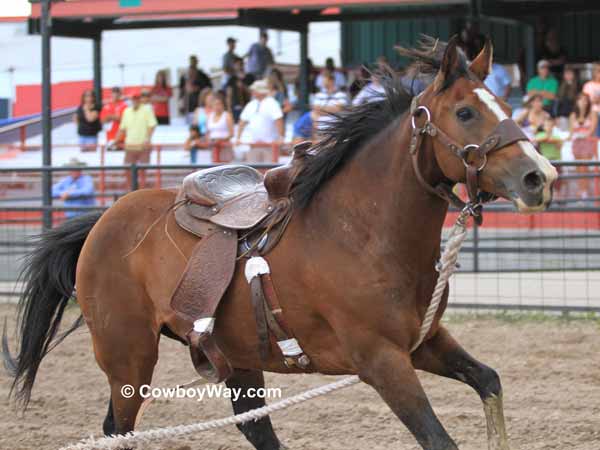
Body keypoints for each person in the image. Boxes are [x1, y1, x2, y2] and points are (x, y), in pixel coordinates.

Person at [236, 79, 284, 162]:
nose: (252, 92)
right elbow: (242, 121)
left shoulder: (272, 103)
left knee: (269, 171)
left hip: (269, 144)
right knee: (253, 171)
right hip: (253, 144)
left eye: (254, 90)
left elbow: (279, 120)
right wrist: (238, 138)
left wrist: (280, 137)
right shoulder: (251, 104)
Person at [117, 90, 158, 166]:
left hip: (143, 146)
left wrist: (147, 139)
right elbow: (122, 128)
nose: (135, 101)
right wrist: (116, 140)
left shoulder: (147, 110)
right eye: (133, 99)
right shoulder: (126, 111)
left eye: (137, 98)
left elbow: (152, 126)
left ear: (140, 99)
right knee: (128, 171)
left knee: (144, 171)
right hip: (130, 146)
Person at [569, 93, 598, 198]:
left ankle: (584, 190)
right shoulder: (573, 115)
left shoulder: (592, 113)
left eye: (585, 100)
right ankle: (581, 189)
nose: (583, 102)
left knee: (584, 167)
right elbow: (571, 132)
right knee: (578, 167)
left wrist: (581, 134)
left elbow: (592, 130)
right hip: (576, 143)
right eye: (580, 100)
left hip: (587, 142)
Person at [312, 71, 348, 137]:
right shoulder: (319, 95)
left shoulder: (341, 94)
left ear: (331, 80)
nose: (322, 82)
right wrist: (331, 109)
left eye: (324, 79)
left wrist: (321, 109)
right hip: (321, 131)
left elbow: (338, 109)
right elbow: (315, 110)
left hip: (336, 130)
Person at [179, 55, 212, 123]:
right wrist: (181, 104)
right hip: (188, 106)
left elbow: (208, 87)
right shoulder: (184, 76)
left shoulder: (202, 75)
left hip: (199, 104)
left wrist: (197, 88)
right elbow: (181, 92)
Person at [206, 93, 235, 161]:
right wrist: (210, 141)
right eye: (215, 104)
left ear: (223, 105)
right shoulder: (210, 116)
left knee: (225, 166)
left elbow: (231, 134)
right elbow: (208, 132)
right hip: (213, 146)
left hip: (224, 146)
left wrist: (220, 140)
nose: (217, 106)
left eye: (219, 104)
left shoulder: (227, 116)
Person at [225, 57, 251, 123]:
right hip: (236, 107)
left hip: (249, 106)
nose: (239, 66)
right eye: (237, 64)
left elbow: (252, 92)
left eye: (240, 64)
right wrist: (229, 110)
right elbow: (228, 96)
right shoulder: (231, 79)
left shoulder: (250, 77)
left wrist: (243, 87)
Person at [582, 64, 600, 135]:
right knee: (594, 113)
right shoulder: (588, 85)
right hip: (591, 111)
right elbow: (584, 100)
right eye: (598, 71)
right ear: (594, 72)